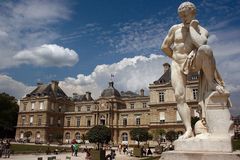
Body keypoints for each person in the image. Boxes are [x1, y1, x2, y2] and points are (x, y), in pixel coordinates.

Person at [161, 1, 227, 139]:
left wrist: (191, 27)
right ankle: (189, 130)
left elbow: (201, 44)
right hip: (178, 63)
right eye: (181, 15)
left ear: (193, 13)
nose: (183, 18)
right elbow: (165, 46)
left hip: (194, 62)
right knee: (179, 96)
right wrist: (176, 58)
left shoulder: (201, 30)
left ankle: (211, 82)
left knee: (206, 50)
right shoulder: (175, 29)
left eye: (186, 14)